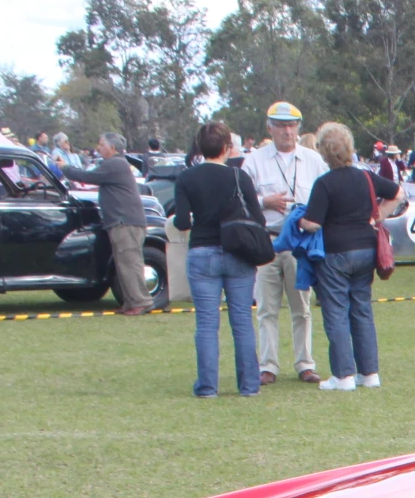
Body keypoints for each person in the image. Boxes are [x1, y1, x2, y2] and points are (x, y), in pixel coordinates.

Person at [295, 122, 400, 392]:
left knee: (337, 311)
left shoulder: (324, 184)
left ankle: (343, 376)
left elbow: (314, 223)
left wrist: (299, 222)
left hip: (335, 253)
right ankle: (369, 372)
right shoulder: (365, 177)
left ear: (323, 154)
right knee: (362, 309)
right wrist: (375, 219)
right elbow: (397, 194)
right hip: (366, 249)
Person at [169, 121, 265, 398]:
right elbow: (256, 217)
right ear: (226, 148)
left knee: (207, 324)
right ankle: (249, 385)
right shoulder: (239, 177)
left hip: (202, 251)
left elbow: (183, 221)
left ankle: (208, 386)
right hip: (237, 252)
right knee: (242, 322)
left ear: (200, 147)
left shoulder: (187, 178)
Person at [240, 102, 327, 386]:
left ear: (298, 128)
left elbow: (326, 195)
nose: (287, 131)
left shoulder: (313, 160)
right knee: (266, 307)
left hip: (300, 244)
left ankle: (305, 363)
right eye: (280, 125)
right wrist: (265, 201)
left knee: (301, 307)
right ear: (269, 128)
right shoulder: (254, 160)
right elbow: (241, 198)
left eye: (291, 126)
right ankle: (268, 365)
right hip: (267, 240)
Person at [60, 131, 152, 316]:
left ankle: (141, 301)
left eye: (101, 144)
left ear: (112, 147)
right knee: (122, 263)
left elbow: (86, 176)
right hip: (120, 222)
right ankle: (130, 301)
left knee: (130, 262)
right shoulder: (114, 165)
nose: (98, 147)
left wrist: (65, 168)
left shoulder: (115, 164)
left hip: (126, 223)